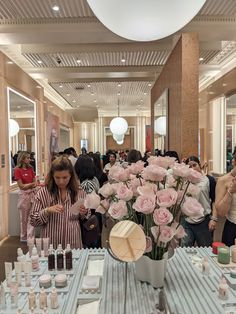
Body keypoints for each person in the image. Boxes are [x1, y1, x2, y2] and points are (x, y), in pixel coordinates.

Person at [30, 156, 88, 249]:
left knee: (74, 262)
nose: (61, 181)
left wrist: (84, 212)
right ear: (52, 176)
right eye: (57, 177)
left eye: (65, 177)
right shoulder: (43, 192)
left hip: (73, 241)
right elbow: (33, 221)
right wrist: (47, 211)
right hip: (51, 244)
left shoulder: (79, 192)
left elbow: (85, 216)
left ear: (71, 176)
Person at [181, 156, 217, 247]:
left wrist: (214, 219)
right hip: (187, 221)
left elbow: (214, 200)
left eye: (194, 165)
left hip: (204, 221)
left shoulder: (209, 180)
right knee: (185, 248)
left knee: (205, 248)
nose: (192, 168)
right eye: (189, 166)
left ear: (200, 165)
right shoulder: (184, 181)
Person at [74, 155, 102, 248]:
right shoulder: (94, 179)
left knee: (89, 244)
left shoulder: (86, 184)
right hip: (95, 216)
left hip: (89, 218)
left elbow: (89, 203)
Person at [14, 151, 37, 242]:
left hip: (32, 194)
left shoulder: (31, 169)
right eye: (27, 158)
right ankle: (23, 236)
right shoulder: (17, 170)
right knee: (23, 218)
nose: (29, 159)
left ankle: (30, 237)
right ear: (23, 159)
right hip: (24, 196)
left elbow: (35, 183)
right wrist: (31, 185)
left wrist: (30, 185)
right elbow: (21, 186)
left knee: (31, 216)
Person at [215, 154, 236, 246]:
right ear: (234, 161)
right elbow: (221, 212)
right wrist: (230, 192)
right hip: (232, 228)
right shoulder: (223, 180)